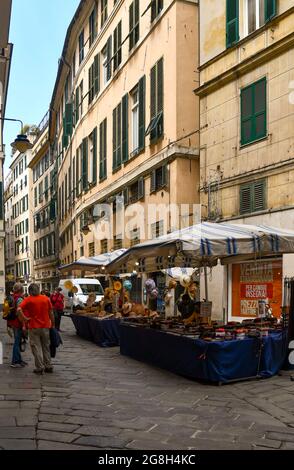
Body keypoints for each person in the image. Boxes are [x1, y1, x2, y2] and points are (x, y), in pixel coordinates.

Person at [17, 283, 55, 375]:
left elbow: (18, 309)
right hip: (46, 326)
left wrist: (24, 319)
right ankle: (48, 366)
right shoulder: (46, 299)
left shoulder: (28, 299)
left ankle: (39, 367)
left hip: (34, 327)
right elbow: (51, 313)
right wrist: (53, 324)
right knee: (46, 347)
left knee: (36, 347)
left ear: (30, 291)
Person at [8, 283, 27, 368]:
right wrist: (23, 325)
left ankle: (19, 360)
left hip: (13, 322)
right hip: (18, 323)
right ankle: (15, 361)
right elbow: (19, 312)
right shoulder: (19, 299)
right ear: (21, 290)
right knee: (17, 342)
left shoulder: (13, 297)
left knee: (18, 341)